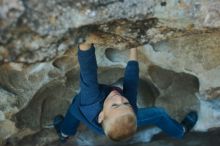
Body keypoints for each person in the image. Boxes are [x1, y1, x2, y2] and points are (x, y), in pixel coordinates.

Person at [53, 39, 198, 143]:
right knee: (158, 114)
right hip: (111, 119)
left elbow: (88, 71)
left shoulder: (90, 99)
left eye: (115, 105)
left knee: (75, 108)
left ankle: (64, 133)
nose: (119, 98)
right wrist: (133, 48)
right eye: (125, 103)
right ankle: (180, 131)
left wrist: (85, 41)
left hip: (83, 108)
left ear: (101, 116)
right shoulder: (129, 108)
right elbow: (131, 81)